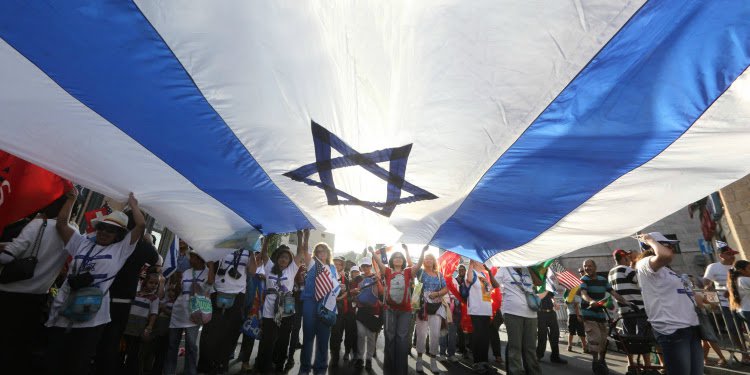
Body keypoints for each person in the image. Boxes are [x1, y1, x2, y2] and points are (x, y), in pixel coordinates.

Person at [45, 189, 145, 375]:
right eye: (102, 227)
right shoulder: (82, 242)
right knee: (53, 361)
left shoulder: (120, 251)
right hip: (63, 312)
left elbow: (140, 225)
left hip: (91, 319)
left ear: (118, 235)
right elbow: (61, 224)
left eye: (111, 230)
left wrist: (133, 205)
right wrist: (72, 200)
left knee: (77, 364)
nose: (105, 232)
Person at [0, 195, 70, 373]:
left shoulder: (37, 224)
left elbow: (7, 257)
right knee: (20, 347)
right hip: (38, 298)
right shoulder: (72, 235)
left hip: (10, 294)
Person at [95, 210, 159, 375]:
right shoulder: (140, 245)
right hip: (122, 303)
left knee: (95, 339)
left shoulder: (114, 240)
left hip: (101, 296)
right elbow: (155, 259)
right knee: (112, 343)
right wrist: (147, 241)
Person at [636, 232, 703, 375]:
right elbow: (666, 256)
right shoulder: (644, 264)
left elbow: (687, 293)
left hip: (690, 327)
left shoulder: (668, 271)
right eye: (668, 245)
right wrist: (650, 240)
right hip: (672, 330)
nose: (672, 248)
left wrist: (704, 299)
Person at [248, 232, 306, 374]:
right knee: (267, 340)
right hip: (269, 309)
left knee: (283, 340)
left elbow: (300, 253)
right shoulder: (269, 268)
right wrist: (267, 239)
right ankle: (263, 366)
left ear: (289, 260)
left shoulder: (292, 270)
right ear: (277, 258)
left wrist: (301, 237)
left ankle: (279, 366)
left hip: (287, 305)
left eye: (286, 257)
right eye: (281, 257)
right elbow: (264, 253)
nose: (283, 259)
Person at [371, 244, 426, 375]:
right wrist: (373, 252)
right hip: (389, 310)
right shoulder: (387, 271)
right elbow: (378, 261)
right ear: (391, 260)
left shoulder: (408, 271)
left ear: (403, 260)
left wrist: (421, 251)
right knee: (390, 338)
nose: (397, 259)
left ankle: (401, 371)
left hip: (405, 311)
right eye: (395, 257)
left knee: (402, 340)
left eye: (400, 257)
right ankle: (389, 371)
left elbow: (418, 265)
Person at [197, 247, 253, 374]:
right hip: (217, 291)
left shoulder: (248, 249)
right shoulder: (224, 242)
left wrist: (252, 251)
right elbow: (210, 261)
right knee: (210, 331)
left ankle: (221, 365)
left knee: (230, 334)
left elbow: (252, 271)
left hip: (238, 295)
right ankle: (205, 366)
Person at [164, 250, 215, 375]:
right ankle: (168, 372)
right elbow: (179, 291)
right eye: (190, 256)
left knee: (191, 346)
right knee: (172, 346)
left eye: (193, 257)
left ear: (200, 258)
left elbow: (209, 284)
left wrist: (212, 265)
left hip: (194, 314)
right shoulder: (186, 272)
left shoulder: (208, 273)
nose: (190, 259)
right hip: (179, 312)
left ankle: (190, 372)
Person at [579, 258, 633, 374]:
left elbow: (614, 293)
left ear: (595, 267)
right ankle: (595, 362)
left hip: (601, 314)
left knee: (604, 339)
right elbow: (584, 294)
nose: (587, 268)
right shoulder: (583, 280)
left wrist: (626, 302)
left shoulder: (603, 280)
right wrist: (590, 301)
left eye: (589, 266)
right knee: (595, 339)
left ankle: (602, 360)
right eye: (585, 266)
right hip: (589, 314)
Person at [299, 234, 339, 375]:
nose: (321, 253)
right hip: (310, 303)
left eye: (324, 250)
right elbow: (304, 250)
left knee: (323, 339)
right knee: (308, 338)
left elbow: (335, 288)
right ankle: (304, 369)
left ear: (328, 253)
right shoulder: (311, 263)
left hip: (326, 305)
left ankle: (321, 369)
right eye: (318, 251)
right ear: (315, 253)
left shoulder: (333, 268)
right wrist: (305, 236)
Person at [495, 265, 542, 375]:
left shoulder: (527, 269)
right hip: (512, 312)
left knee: (530, 348)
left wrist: (530, 267)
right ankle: (516, 372)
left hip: (531, 314)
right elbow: (493, 285)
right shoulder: (504, 269)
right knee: (515, 347)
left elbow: (539, 283)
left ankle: (533, 372)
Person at [608, 249, 650, 370]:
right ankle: (647, 366)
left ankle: (631, 364)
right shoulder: (626, 269)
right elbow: (641, 282)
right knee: (643, 338)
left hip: (624, 310)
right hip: (638, 309)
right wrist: (635, 264)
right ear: (624, 258)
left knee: (629, 338)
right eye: (628, 257)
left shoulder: (611, 272)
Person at [704, 245, 745, 350]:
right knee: (733, 328)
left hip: (744, 303)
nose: (732, 256)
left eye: (733, 254)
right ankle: (743, 351)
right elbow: (707, 284)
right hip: (726, 304)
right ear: (721, 255)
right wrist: (713, 303)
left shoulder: (738, 266)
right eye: (729, 254)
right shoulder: (713, 267)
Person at [414, 252, 448, 373]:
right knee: (421, 334)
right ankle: (419, 360)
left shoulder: (439, 275)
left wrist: (437, 293)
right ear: (423, 261)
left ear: (434, 261)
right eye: (426, 259)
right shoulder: (420, 272)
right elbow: (410, 266)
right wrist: (412, 251)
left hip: (437, 306)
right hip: (423, 307)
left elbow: (446, 288)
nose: (428, 260)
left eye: (430, 259)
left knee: (434, 334)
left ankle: (433, 361)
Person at [121, 272, 160, 374]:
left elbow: (153, 314)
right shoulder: (135, 294)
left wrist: (149, 327)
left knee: (134, 354)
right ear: (144, 282)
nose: (154, 285)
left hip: (139, 330)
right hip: (127, 327)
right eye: (151, 282)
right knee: (121, 351)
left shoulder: (154, 299)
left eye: (156, 284)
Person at [352, 256, 383, 370]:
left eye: (367, 266)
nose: (365, 268)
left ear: (370, 266)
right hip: (361, 310)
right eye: (363, 266)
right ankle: (360, 357)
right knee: (360, 334)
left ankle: (369, 358)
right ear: (361, 267)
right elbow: (352, 292)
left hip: (374, 310)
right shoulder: (358, 278)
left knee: (371, 336)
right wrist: (354, 292)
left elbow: (381, 291)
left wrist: (378, 280)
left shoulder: (376, 277)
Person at [727, 259, 750, 364]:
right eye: (749, 268)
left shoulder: (734, 279)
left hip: (742, 310)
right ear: (741, 270)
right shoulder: (744, 280)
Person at [536, 289, 567, 364]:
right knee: (542, 335)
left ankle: (555, 357)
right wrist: (546, 290)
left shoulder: (548, 284)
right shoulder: (538, 284)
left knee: (555, 335)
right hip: (541, 313)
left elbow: (552, 297)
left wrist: (555, 303)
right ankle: (538, 356)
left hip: (551, 313)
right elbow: (538, 297)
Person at [329, 256, 350, 366]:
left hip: (339, 307)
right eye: (335, 264)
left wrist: (340, 298)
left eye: (339, 264)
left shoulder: (344, 278)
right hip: (327, 307)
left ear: (342, 266)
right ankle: (330, 350)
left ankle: (335, 352)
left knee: (337, 330)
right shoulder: (328, 276)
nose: (337, 266)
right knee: (328, 331)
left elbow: (348, 292)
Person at [563, 288, 588, 353]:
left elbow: (565, 307)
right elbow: (576, 306)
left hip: (570, 315)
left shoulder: (567, 298)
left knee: (571, 332)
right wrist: (578, 316)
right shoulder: (577, 297)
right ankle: (584, 347)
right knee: (581, 332)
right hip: (577, 315)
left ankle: (569, 346)